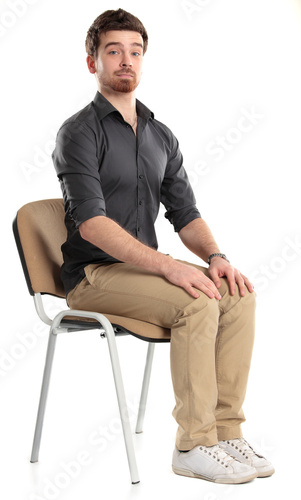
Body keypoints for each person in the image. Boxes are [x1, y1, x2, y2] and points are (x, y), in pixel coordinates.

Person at [52, 8, 274, 484]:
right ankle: (192, 444)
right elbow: (91, 225)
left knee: (238, 295)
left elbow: (185, 215)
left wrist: (216, 258)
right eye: (113, 51)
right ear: (92, 63)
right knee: (196, 304)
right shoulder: (78, 133)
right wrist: (170, 268)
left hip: (142, 271)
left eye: (134, 52)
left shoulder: (160, 135)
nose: (125, 61)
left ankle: (224, 429)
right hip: (93, 276)